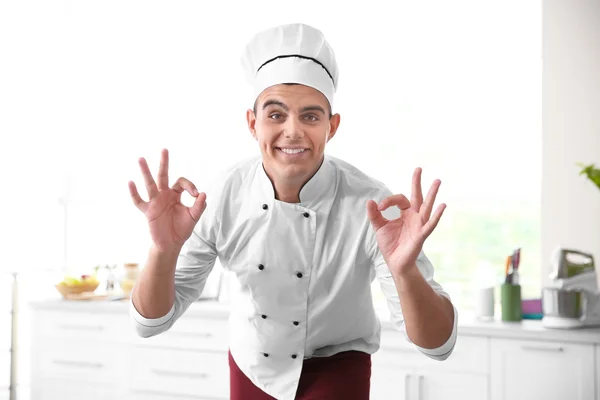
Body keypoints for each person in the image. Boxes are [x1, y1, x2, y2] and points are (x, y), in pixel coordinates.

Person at [128, 23, 457, 400]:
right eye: (276, 115)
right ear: (253, 123)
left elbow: (438, 346)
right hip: (252, 367)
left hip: (337, 367)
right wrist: (163, 251)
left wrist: (405, 272)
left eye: (311, 117)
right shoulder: (221, 196)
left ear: (332, 127)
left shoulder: (374, 208)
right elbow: (150, 323)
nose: (293, 131)